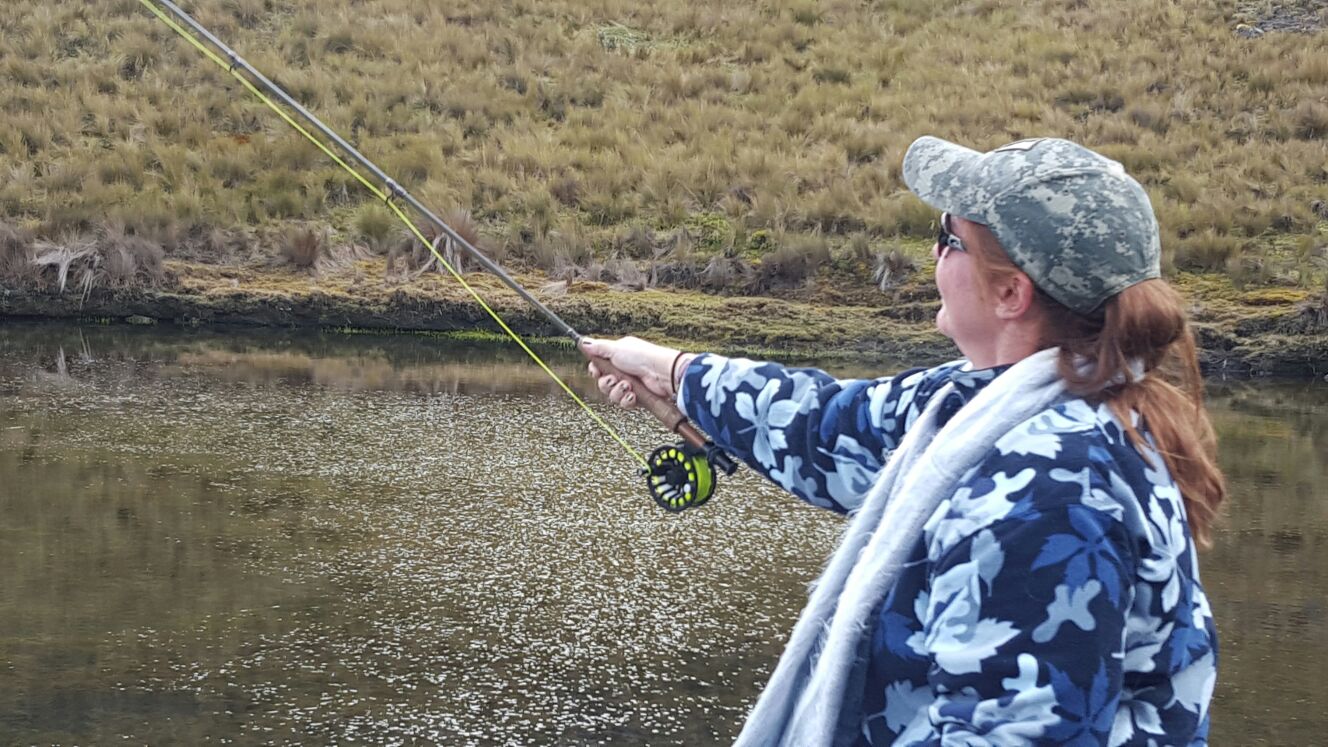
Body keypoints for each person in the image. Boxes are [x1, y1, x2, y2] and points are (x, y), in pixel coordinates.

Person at [582, 136, 1224, 746]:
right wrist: (671, 372)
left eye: (948, 238)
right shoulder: (981, 402)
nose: (935, 254)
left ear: (1009, 292)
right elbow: (826, 429)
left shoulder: (1051, 490)